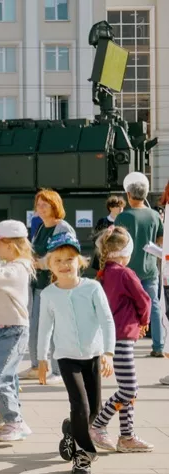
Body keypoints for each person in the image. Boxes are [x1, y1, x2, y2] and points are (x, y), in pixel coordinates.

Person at [37, 232, 115, 474]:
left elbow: (106, 320)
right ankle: (83, 457)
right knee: (79, 405)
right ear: (50, 265)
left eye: (69, 259)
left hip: (92, 355)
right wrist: (42, 359)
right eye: (58, 260)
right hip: (66, 357)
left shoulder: (92, 288)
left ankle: (71, 429)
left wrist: (108, 353)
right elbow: (45, 328)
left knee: (93, 410)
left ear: (79, 261)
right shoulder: (48, 294)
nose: (64, 264)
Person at [89, 227, 154, 453]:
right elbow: (144, 300)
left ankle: (127, 435)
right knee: (129, 388)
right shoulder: (125, 274)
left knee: (129, 388)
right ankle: (98, 425)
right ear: (126, 252)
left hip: (112, 336)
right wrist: (144, 321)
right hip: (123, 336)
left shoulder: (104, 273)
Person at [0, 220, 35, 441]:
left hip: (13, 329)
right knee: (8, 377)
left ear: (10, 245)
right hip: (1, 327)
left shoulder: (18, 268)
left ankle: (15, 421)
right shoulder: (12, 266)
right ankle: (13, 419)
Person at [20, 189, 76, 383]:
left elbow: (65, 256)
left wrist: (40, 263)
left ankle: (58, 371)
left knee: (55, 329)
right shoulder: (40, 227)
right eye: (39, 204)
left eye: (45, 204)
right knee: (35, 327)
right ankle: (37, 366)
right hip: (38, 285)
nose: (41, 208)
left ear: (55, 206)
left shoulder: (63, 228)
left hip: (55, 286)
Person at [114, 172, 165, 358]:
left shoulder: (123, 217)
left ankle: (127, 343)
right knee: (155, 306)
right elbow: (160, 239)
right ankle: (159, 346)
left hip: (128, 271)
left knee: (126, 307)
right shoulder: (154, 215)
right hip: (150, 269)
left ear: (128, 195)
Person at [90, 196, 127, 271]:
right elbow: (96, 239)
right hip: (103, 260)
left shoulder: (124, 222)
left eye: (122, 206)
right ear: (110, 208)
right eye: (117, 206)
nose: (120, 208)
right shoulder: (102, 221)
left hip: (119, 260)